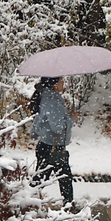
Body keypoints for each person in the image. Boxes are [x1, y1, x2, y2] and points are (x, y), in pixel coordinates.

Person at [29, 76, 74, 204]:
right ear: (54, 84)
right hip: (53, 146)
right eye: (61, 81)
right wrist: (71, 119)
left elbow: (39, 121)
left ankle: (28, 203)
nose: (63, 83)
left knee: (42, 179)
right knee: (62, 178)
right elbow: (58, 127)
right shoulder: (52, 100)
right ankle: (68, 206)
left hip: (47, 144)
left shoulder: (45, 96)